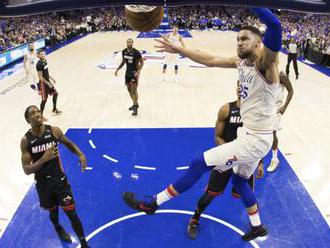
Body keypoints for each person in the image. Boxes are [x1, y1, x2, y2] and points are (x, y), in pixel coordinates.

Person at [123, 7, 282, 241]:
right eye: (237, 39)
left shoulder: (267, 64)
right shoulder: (242, 63)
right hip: (252, 135)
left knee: (199, 164)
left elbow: (276, 26)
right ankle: (257, 226)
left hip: (255, 139)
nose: (239, 42)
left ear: (260, 43)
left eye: (245, 38)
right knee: (239, 180)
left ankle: (153, 203)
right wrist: (179, 48)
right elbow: (210, 59)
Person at [187, 83, 264, 239]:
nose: (241, 88)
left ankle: (256, 226)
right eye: (239, 85)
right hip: (227, 159)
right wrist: (232, 152)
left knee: (249, 196)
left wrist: (260, 162)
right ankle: (194, 218)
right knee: (210, 194)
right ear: (236, 88)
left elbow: (260, 140)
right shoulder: (226, 109)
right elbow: (217, 137)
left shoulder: (257, 113)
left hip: (245, 161)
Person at [20, 105, 89, 248]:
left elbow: (68, 143)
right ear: (28, 119)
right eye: (33, 113)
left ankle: (84, 243)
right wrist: (44, 159)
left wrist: (80, 154)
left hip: (60, 181)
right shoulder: (26, 141)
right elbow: (27, 170)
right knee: (53, 212)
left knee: (72, 213)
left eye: (38, 111)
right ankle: (58, 227)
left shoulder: (54, 131)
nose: (37, 114)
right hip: (43, 185)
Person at [267, 71, 294, 172]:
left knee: (273, 133)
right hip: (265, 107)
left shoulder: (282, 76)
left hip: (276, 109)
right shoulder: (264, 73)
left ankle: (275, 159)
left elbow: (291, 91)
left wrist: (284, 107)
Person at [115, 38, 144, 116]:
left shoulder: (136, 52)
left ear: (132, 43)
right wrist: (117, 69)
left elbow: (142, 63)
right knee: (128, 89)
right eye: (128, 42)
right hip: (128, 72)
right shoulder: (124, 51)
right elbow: (123, 61)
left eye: (130, 42)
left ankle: (135, 108)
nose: (129, 43)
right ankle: (135, 103)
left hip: (134, 72)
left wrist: (138, 72)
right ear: (126, 43)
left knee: (134, 90)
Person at [36, 50, 61, 120]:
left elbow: (46, 72)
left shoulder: (45, 61)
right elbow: (40, 77)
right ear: (38, 56)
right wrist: (48, 83)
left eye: (43, 54)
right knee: (44, 100)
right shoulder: (39, 64)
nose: (43, 55)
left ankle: (54, 109)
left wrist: (52, 79)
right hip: (43, 84)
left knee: (55, 94)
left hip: (48, 81)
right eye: (41, 54)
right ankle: (41, 116)